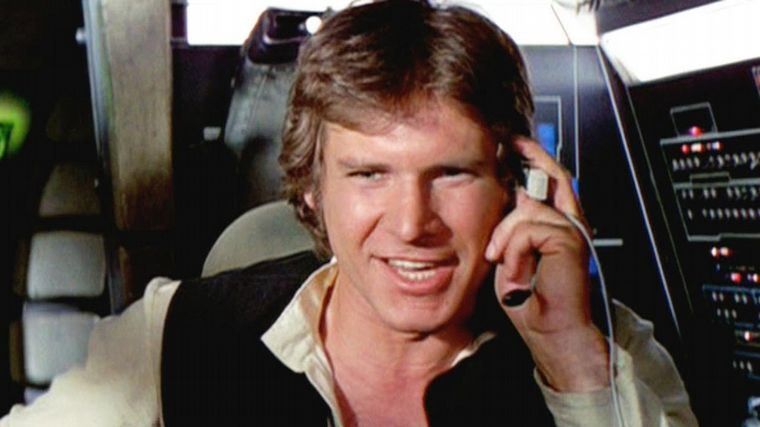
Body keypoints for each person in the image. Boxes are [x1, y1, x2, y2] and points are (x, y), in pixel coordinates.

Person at [2, 0, 698, 425]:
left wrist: (572, 360)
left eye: (450, 174)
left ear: (517, 184)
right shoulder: (174, 332)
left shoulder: (602, 348)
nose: (411, 224)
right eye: (369, 174)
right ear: (311, 187)